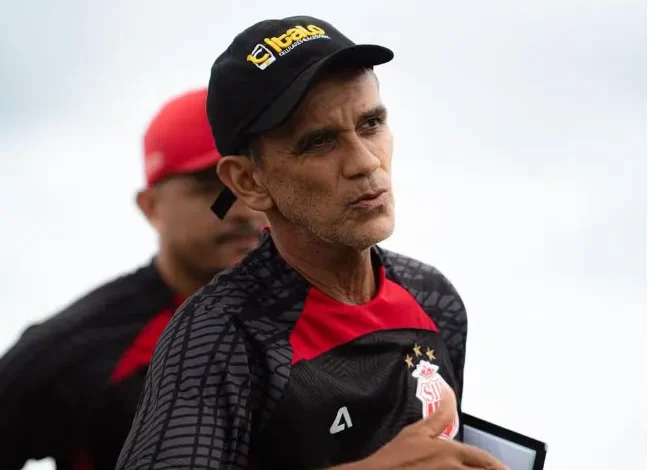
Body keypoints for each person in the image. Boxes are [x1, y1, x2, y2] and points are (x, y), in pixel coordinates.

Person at [116, 16, 507, 470]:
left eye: (371, 123)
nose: (365, 162)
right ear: (248, 181)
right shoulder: (218, 336)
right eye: (320, 142)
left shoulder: (433, 299)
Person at [0, 88, 267, 470]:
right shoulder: (79, 345)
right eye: (212, 188)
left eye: (253, 181)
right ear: (151, 207)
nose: (242, 210)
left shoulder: (336, 310)